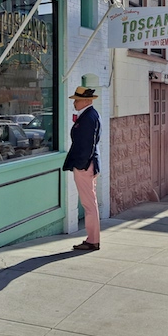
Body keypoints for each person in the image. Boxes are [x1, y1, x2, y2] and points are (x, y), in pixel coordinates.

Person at [62, 86, 102, 251]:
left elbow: (88, 145)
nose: (75, 103)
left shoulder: (88, 117)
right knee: (89, 203)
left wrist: (82, 164)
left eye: (77, 100)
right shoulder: (88, 115)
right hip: (87, 164)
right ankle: (92, 238)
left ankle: (93, 240)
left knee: (89, 204)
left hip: (85, 165)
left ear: (87, 101)